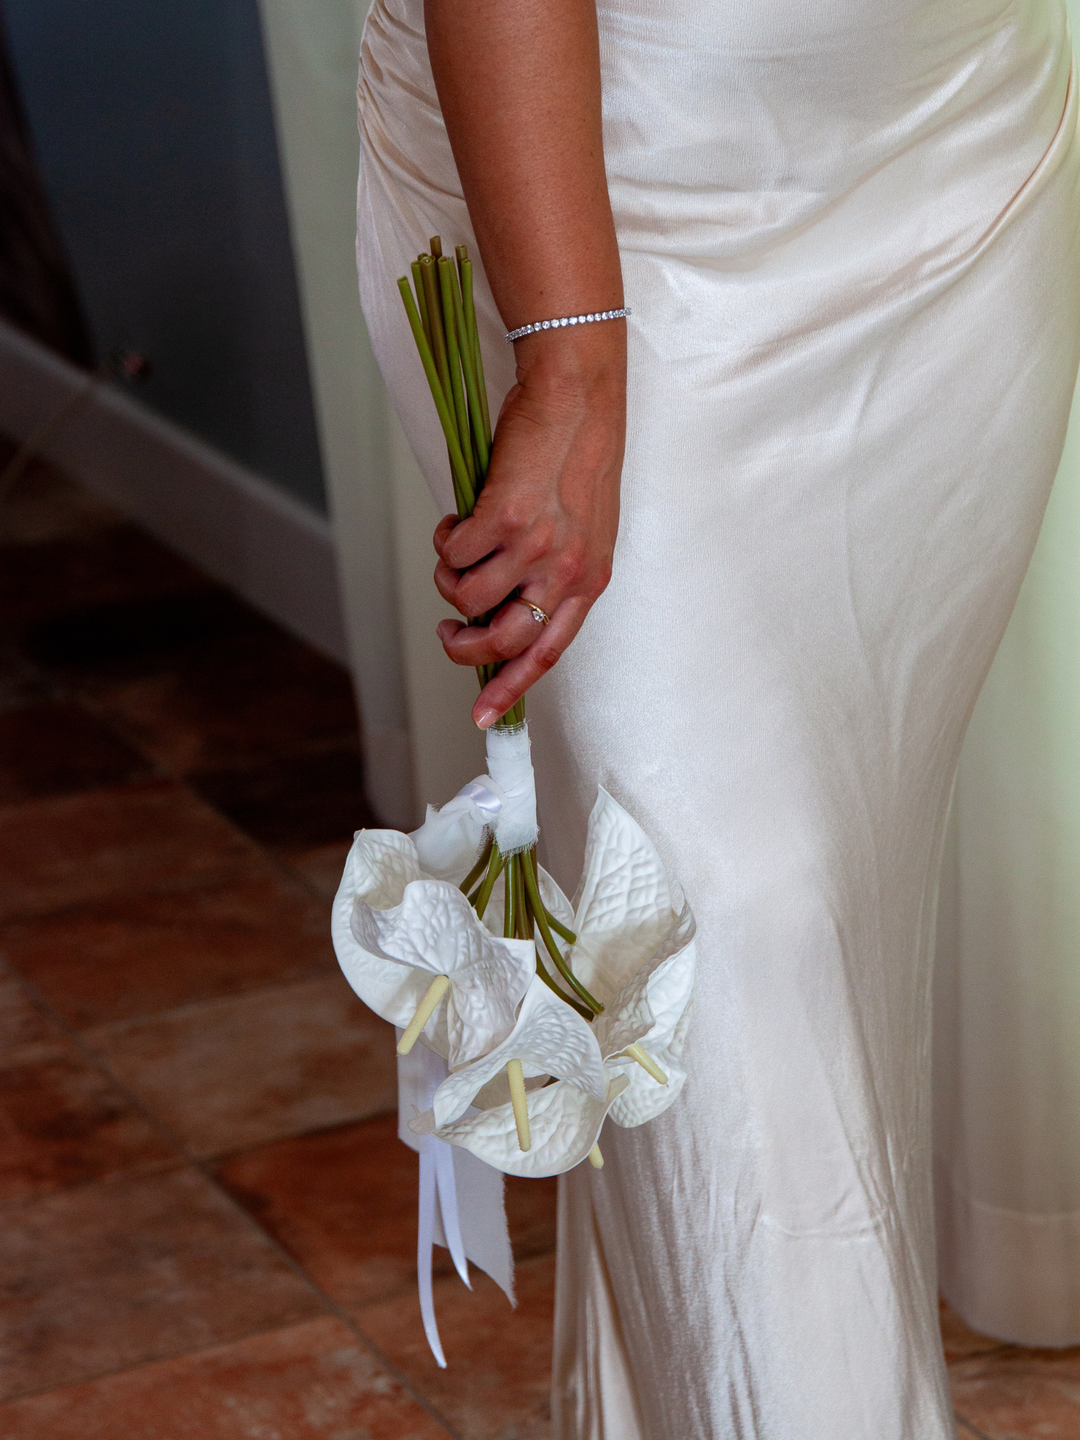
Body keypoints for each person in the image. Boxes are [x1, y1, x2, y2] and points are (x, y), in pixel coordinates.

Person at [354, 0, 1080, 1433]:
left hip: (949, 167)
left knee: (831, 932)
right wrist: (568, 361)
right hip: (612, 207)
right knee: (731, 941)